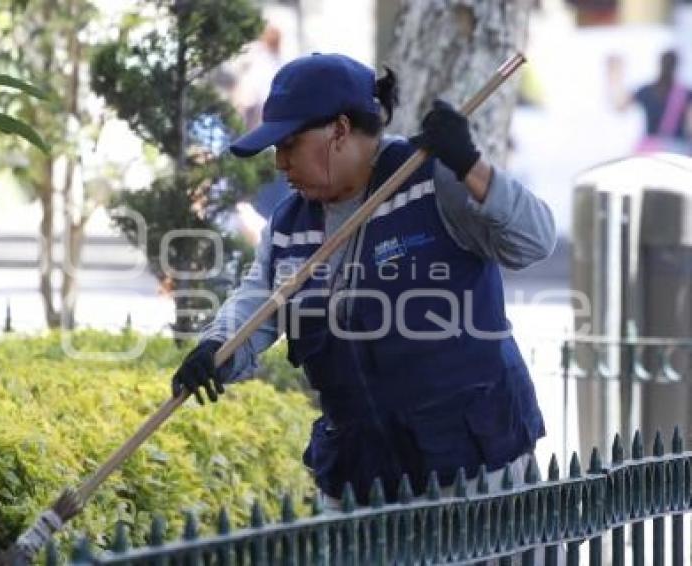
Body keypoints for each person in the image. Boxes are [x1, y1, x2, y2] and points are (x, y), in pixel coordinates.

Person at [171, 53, 556, 505]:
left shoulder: (432, 179)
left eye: (289, 144)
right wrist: (216, 348)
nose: (279, 164)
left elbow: (536, 241)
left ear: (339, 130)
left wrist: (470, 165)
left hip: (475, 470)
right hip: (363, 474)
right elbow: (260, 300)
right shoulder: (289, 225)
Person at [608, 50, 692, 155]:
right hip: (677, 152)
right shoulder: (686, 93)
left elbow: (620, 106)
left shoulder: (646, 90)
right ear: (677, 67)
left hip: (650, 152)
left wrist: (616, 76)